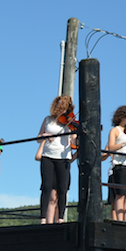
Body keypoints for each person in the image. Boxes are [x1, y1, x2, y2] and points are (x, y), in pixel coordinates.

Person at [38, 96, 77, 224]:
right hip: (47, 156)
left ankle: (60, 218)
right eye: (58, 105)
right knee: (46, 187)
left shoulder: (69, 122)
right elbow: (38, 138)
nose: (60, 108)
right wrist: (45, 135)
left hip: (63, 157)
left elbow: (74, 142)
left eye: (63, 106)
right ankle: (43, 218)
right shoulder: (47, 119)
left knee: (62, 188)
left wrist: (74, 133)